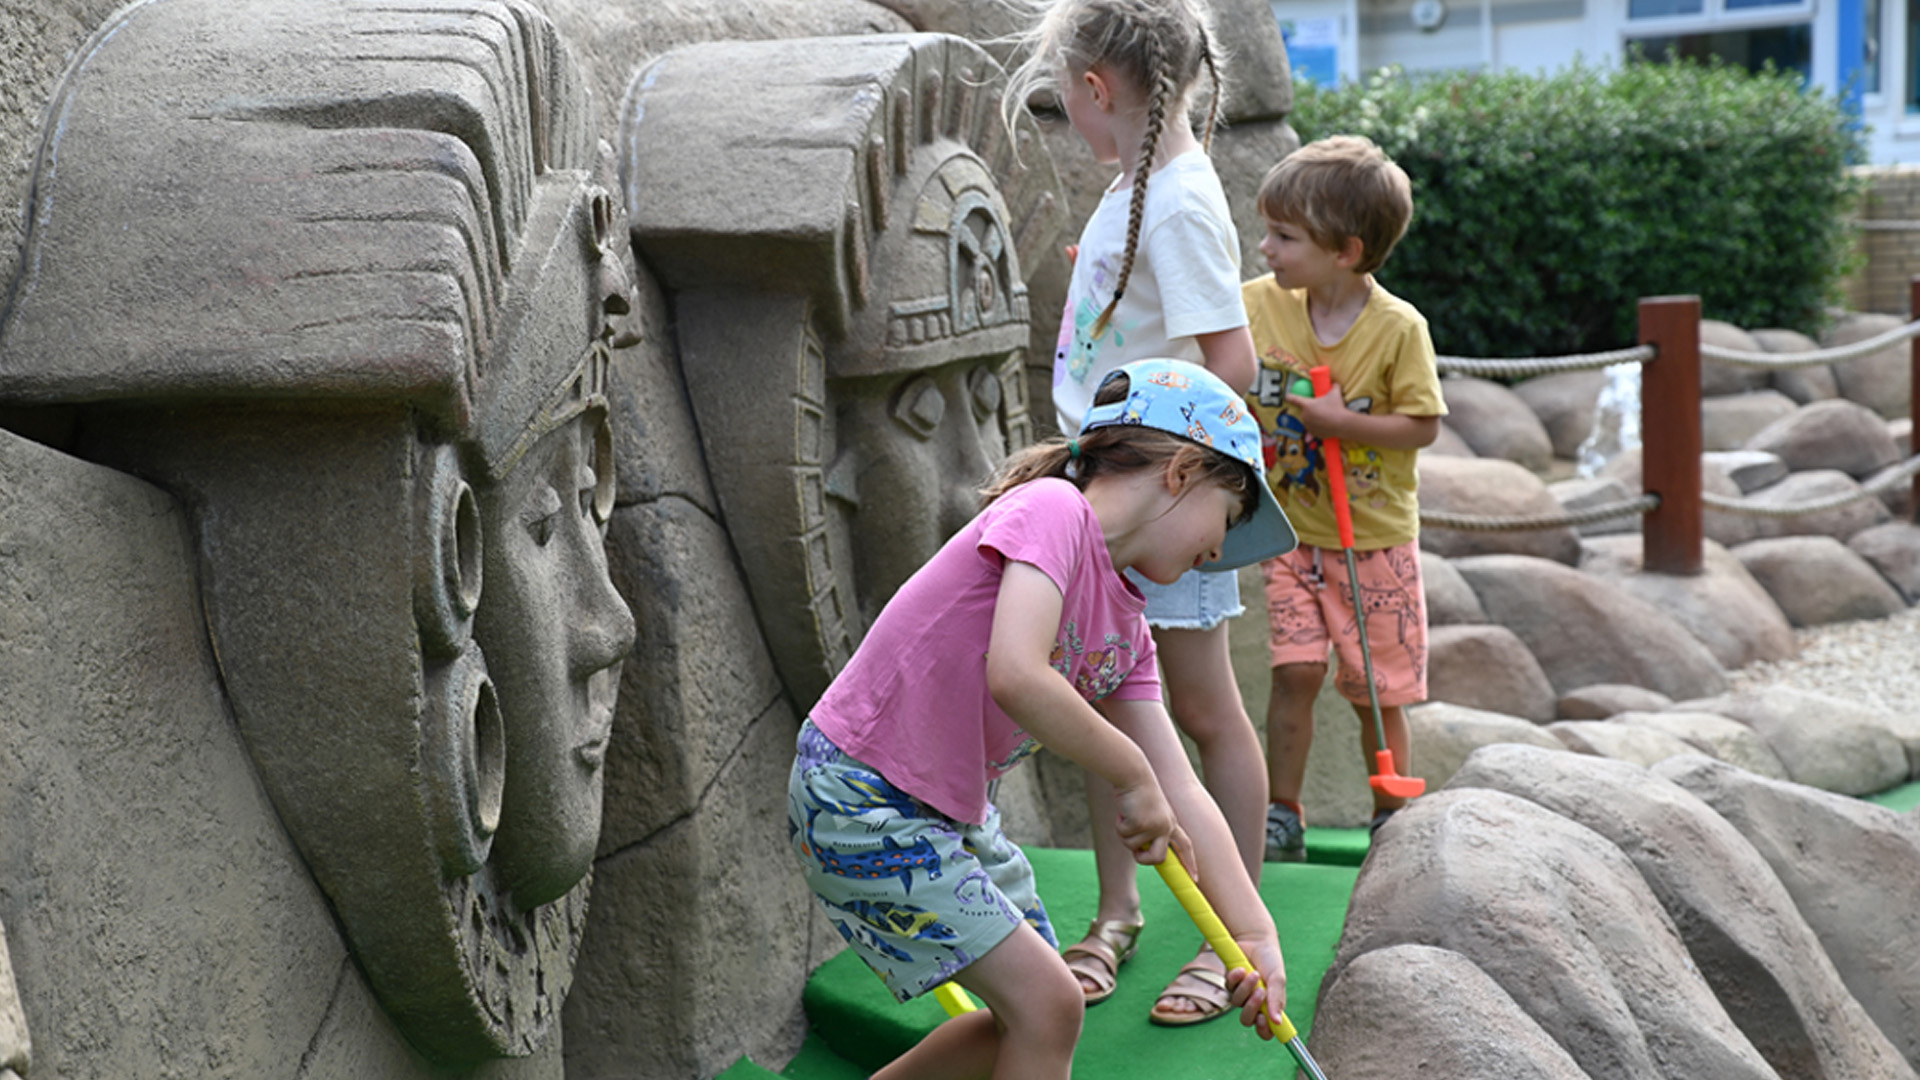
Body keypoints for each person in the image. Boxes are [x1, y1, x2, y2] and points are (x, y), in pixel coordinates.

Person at [788, 360, 1295, 1079]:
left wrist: (1255, 934)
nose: (1221, 552)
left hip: (948, 818)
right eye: (1230, 514)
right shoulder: (1053, 511)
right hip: (862, 793)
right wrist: (1129, 772)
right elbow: (1018, 674)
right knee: (1049, 1005)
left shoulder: (1126, 629)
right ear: (1182, 471)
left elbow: (1182, 791)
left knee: (1029, 1020)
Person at [1003, 0, 1267, 1025]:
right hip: (1110, 498)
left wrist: (1172, 491)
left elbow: (1231, 363)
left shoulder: (1181, 200)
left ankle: (1232, 942)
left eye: (1066, 94)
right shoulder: (1134, 189)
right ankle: (1118, 913)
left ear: (1097, 89)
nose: (1068, 109)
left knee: (1201, 717)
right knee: (1113, 708)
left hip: (1167, 500)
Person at [1240, 135, 1446, 863]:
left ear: (1346, 252)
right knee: (1295, 670)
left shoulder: (1398, 329)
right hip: (1290, 534)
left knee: (1376, 688)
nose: (1265, 248)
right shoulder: (1259, 308)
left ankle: (1390, 812)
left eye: (1284, 237)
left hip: (1374, 540)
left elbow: (1421, 424)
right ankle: (1281, 812)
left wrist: (1343, 424)